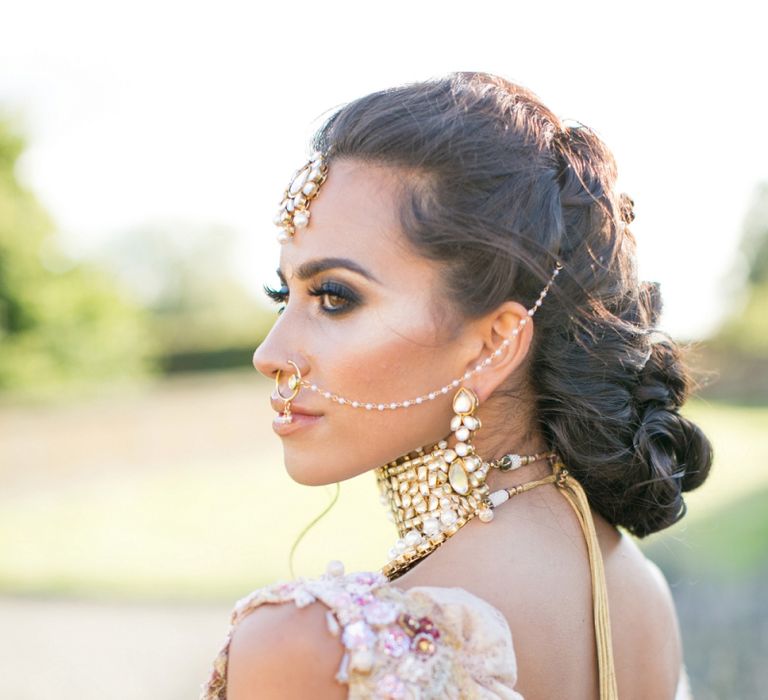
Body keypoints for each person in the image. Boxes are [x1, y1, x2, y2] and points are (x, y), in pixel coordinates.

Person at [200, 71, 712, 699]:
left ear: (494, 344)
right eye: (284, 295)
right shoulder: (638, 592)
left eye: (334, 297)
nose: (269, 354)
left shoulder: (321, 647)